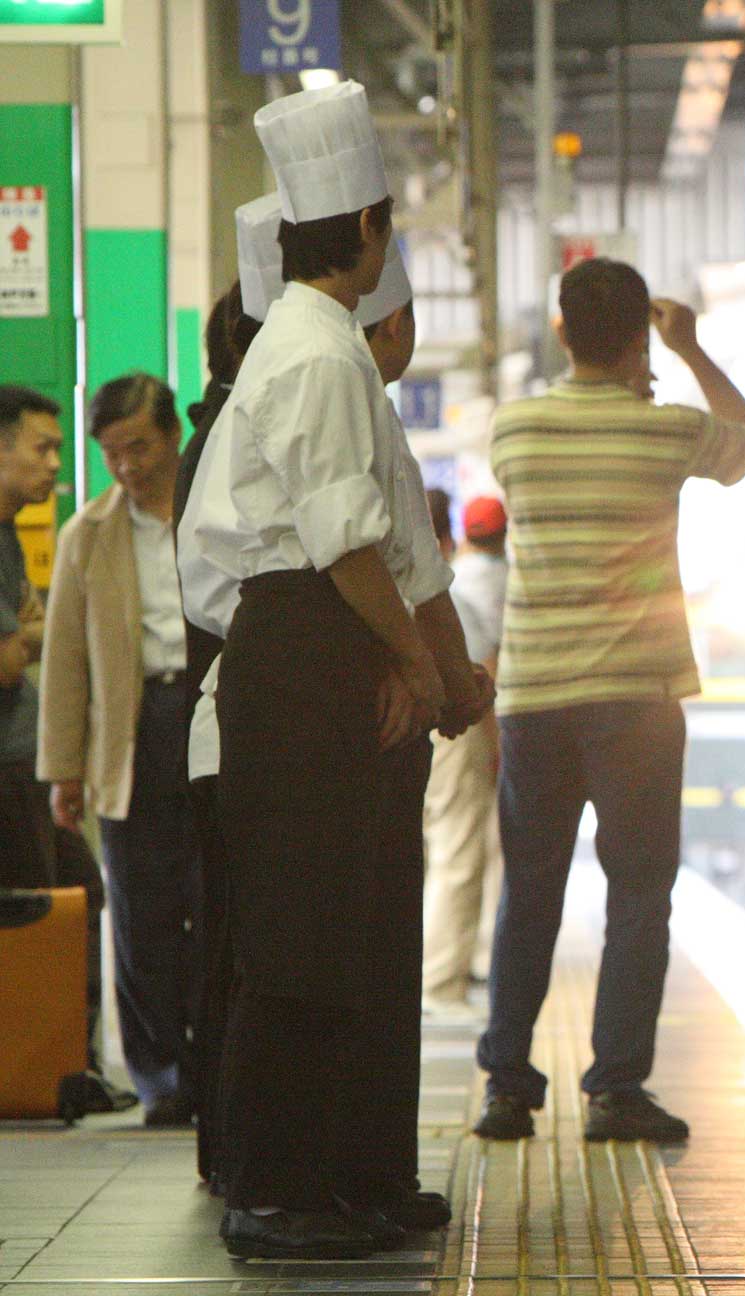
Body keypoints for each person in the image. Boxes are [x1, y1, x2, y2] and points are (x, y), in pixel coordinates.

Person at [177, 82, 490, 1260]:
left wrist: (424, 669)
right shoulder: (313, 356)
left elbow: (383, 555)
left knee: (334, 937)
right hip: (301, 650)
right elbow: (348, 542)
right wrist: (413, 662)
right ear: (363, 227)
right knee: (296, 939)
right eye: (388, 222)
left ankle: (333, 1180)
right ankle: (271, 1195)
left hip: (323, 646)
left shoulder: (318, 349)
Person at [473, 257, 745, 1143]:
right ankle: (613, 1091)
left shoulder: (514, 430)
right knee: (638, 893)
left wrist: (635, 367)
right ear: (642, 331)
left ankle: (507, 1088)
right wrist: (689, 352)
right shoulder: (666, 431)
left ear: (561, 330)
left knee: (529, 891)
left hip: (535, 698)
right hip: (636, 701)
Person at [38, 373, 199, 1129]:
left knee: (212, 897)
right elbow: (66, 664)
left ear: (171, 435)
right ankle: (162, 1078)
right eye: (111, 454)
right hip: (129, 733)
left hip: (209, 718)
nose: (128, 467)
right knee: (139, 911)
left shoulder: (215, 512)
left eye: (138, 446)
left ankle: (213, 1066)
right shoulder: (88, 535)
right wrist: (62, 770)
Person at [179, 191, 281, 1193]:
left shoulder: (212, 434)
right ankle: (236, 1163)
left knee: (233, 946)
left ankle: (229, 1159)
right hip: (238, 727)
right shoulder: (225, 441)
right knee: (242, 955)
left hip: (229, 726)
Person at [0, 386, 136, 1118]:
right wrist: (26, 636)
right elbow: (9, 657)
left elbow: (25, 637)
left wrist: (25, 634)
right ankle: (42, 1073)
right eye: (41, 447)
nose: (56, 463)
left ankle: (67, 1065)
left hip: (24, 762)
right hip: (8, 770)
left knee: (80, 896)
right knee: (40, 919)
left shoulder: (10, 533)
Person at [421, 494, 507, 1018]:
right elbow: (476, 667)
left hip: (415, 726)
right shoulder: (439, 593)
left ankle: (434, 974)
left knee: (437, 850)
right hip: (452, 728)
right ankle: (441, 981)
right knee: (459, 850)